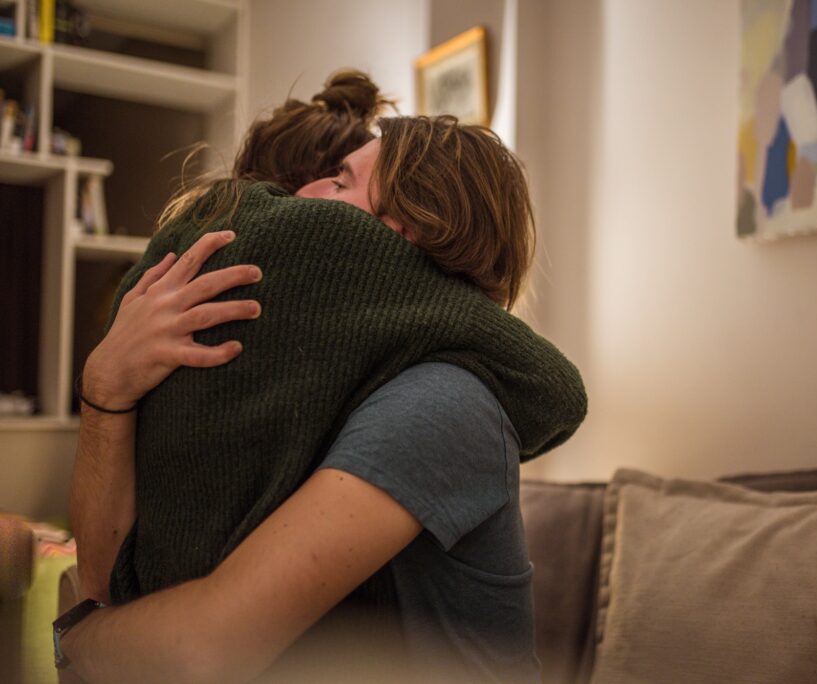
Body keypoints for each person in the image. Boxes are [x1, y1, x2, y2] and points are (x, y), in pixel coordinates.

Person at [61, 86, 585, 683]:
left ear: (397, 238)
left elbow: (204, 649)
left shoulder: (447, 403)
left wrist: (75, 636)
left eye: (338, 183)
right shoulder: (326, 390)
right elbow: (109, 587)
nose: (299, 198)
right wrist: (106, 387)